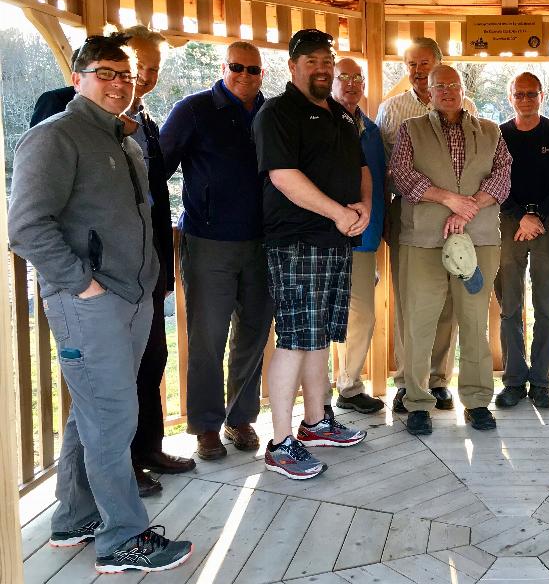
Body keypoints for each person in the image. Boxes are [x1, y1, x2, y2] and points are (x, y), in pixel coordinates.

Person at [9, 33, 193, 573]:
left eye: (125, 75)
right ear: (78, 78)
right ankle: (122, 539)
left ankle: (73, 518)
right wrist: (81, 284)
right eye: (105, 73)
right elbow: (25, 227)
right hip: (89, 303)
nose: (117, 84)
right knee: (114, 417)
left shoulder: (125, 139)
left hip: (131, 299)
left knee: (91, 413)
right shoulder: (55, 138)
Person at [253, 28, 369, 480]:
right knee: (295, 339)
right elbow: (282, 176)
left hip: (336, 241)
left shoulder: (341, 114)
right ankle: (281, 443)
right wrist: (339, 213)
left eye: (327, 60)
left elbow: (361, 168)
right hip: (296, 242)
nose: (321, 68)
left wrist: (363, 207)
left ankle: (316, 423)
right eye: (311, 61)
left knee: (318, 334)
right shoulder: (276, 113)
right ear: (293, 65)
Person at [160, 41, 274, 461]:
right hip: (208, 242)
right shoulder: (193, 110)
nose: (246, 75)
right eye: (238, 67)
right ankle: (206, 425)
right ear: (223, 67)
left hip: (263, 243)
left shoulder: (272, 113)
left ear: (263, 73)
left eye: (254, 69)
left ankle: (239, 417)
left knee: (254, 333)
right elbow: (159, 169)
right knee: (207, 337)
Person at [388, 64, 511, 435]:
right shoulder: (411, 130)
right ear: (426, 90)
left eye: (453, 85)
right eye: (438, 85)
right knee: (419, 322)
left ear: (463, 89)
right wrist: (450, 200)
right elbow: (403, 174)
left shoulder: (490, 131)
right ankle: (418, 401)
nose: (447, 91)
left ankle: (476, 401)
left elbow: (503, 175)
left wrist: (470, 205)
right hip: (423, 240)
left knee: (474, 323)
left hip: (479, 242)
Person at [376, 37, 476, 414]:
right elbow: (389, 172)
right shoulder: (392, 109)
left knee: (449, 298)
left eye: (424, 63)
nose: (417, 71)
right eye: (411, 64)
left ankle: (438, 380)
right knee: (410, 301)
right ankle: (407, 380)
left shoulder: (465, 106)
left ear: (439, 63)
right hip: (409, 218)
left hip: (455, 219)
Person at [120, 25, 196, 494]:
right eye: (138, 67)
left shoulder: (147, 121)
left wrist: (165, 268)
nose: (145, 77)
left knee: (152, 358)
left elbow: (156, 195)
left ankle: (147, 448)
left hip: (148, 266)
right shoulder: (65, 110)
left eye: (153, 69)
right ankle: (119, 466)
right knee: (117, 371)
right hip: (104, 275)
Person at [494, 72, 549, 410]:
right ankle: (513, 380)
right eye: (519, 94)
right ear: (510, 97)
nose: (525, 99)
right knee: (509, 306)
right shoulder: (500, 134)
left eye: (531, 93)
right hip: (507, 221)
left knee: (546, 308)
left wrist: (538, 215)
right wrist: (519, 214)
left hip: (547, 221)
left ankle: (541, 381)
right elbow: (492, 179)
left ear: (542, 96)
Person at [327, 57, 387, 414]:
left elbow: (379, 184)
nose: (351, 83)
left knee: (361, 314)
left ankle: (347, 386)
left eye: (357, 78)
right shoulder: (320, 122)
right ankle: (339, 388)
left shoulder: (372, 130)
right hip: (327, 235)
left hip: (365, 238)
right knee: (337, 314)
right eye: (343, 77)